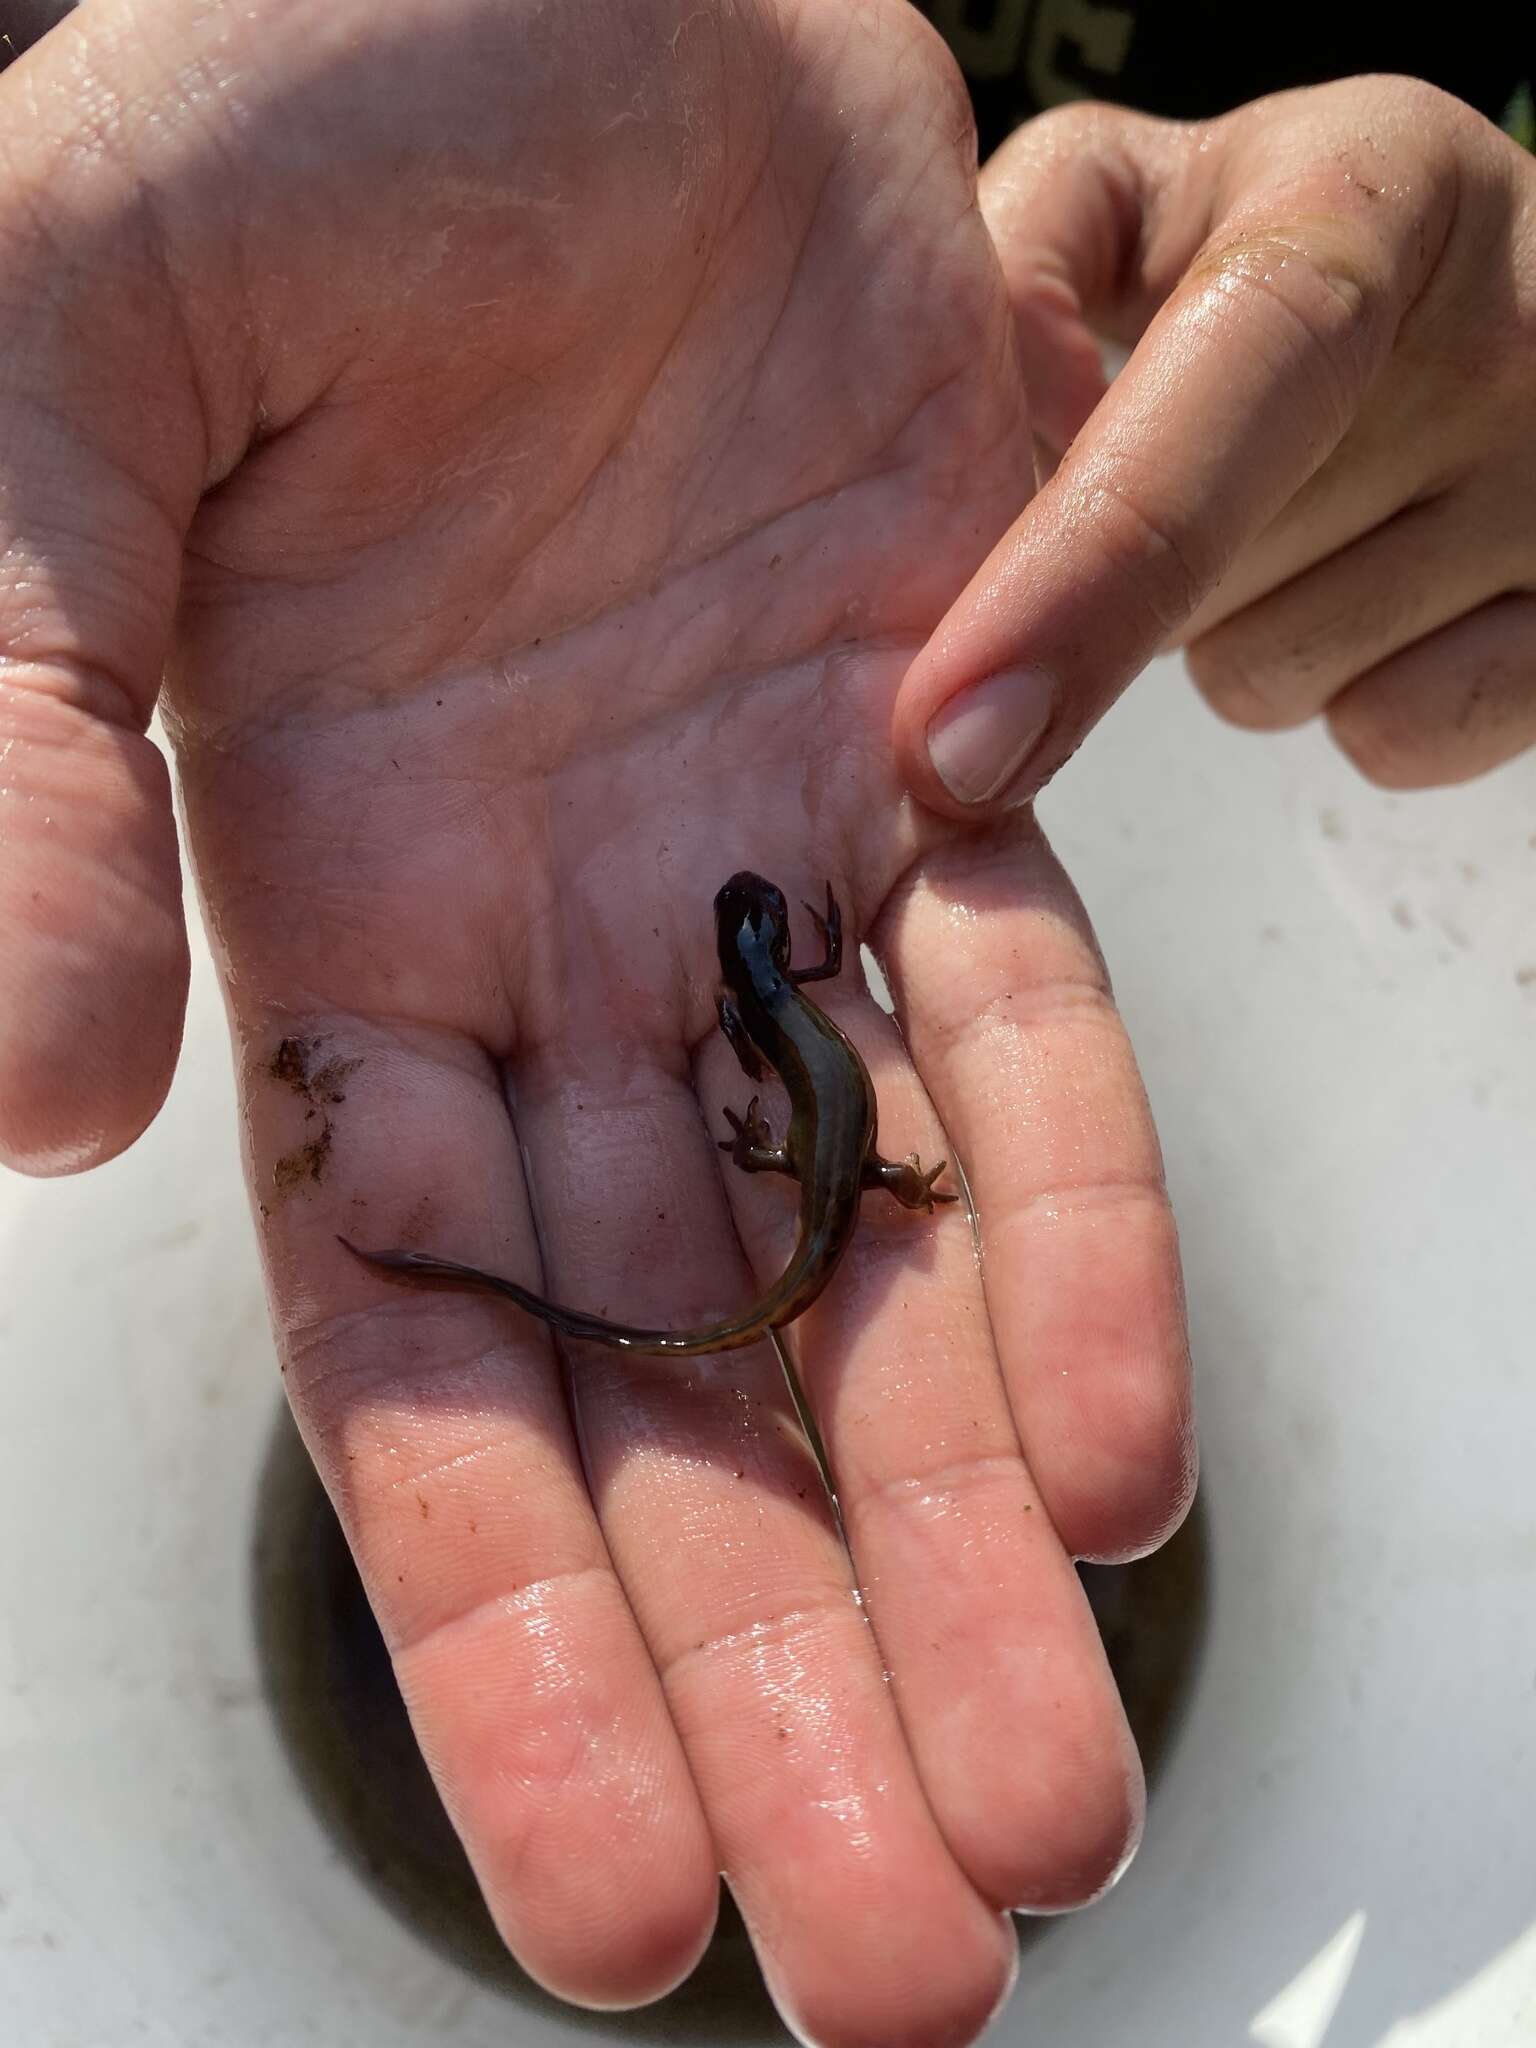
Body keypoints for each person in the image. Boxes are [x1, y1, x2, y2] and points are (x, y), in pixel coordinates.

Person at [0, 4, 1529, 2045]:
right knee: (796, 1265)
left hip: (829, 1153)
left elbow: (781, 1035)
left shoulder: (769, 1019)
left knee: (809, 1282)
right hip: (827, 1159)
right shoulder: (791, 996)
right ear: (764, 961)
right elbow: (797, 1003)